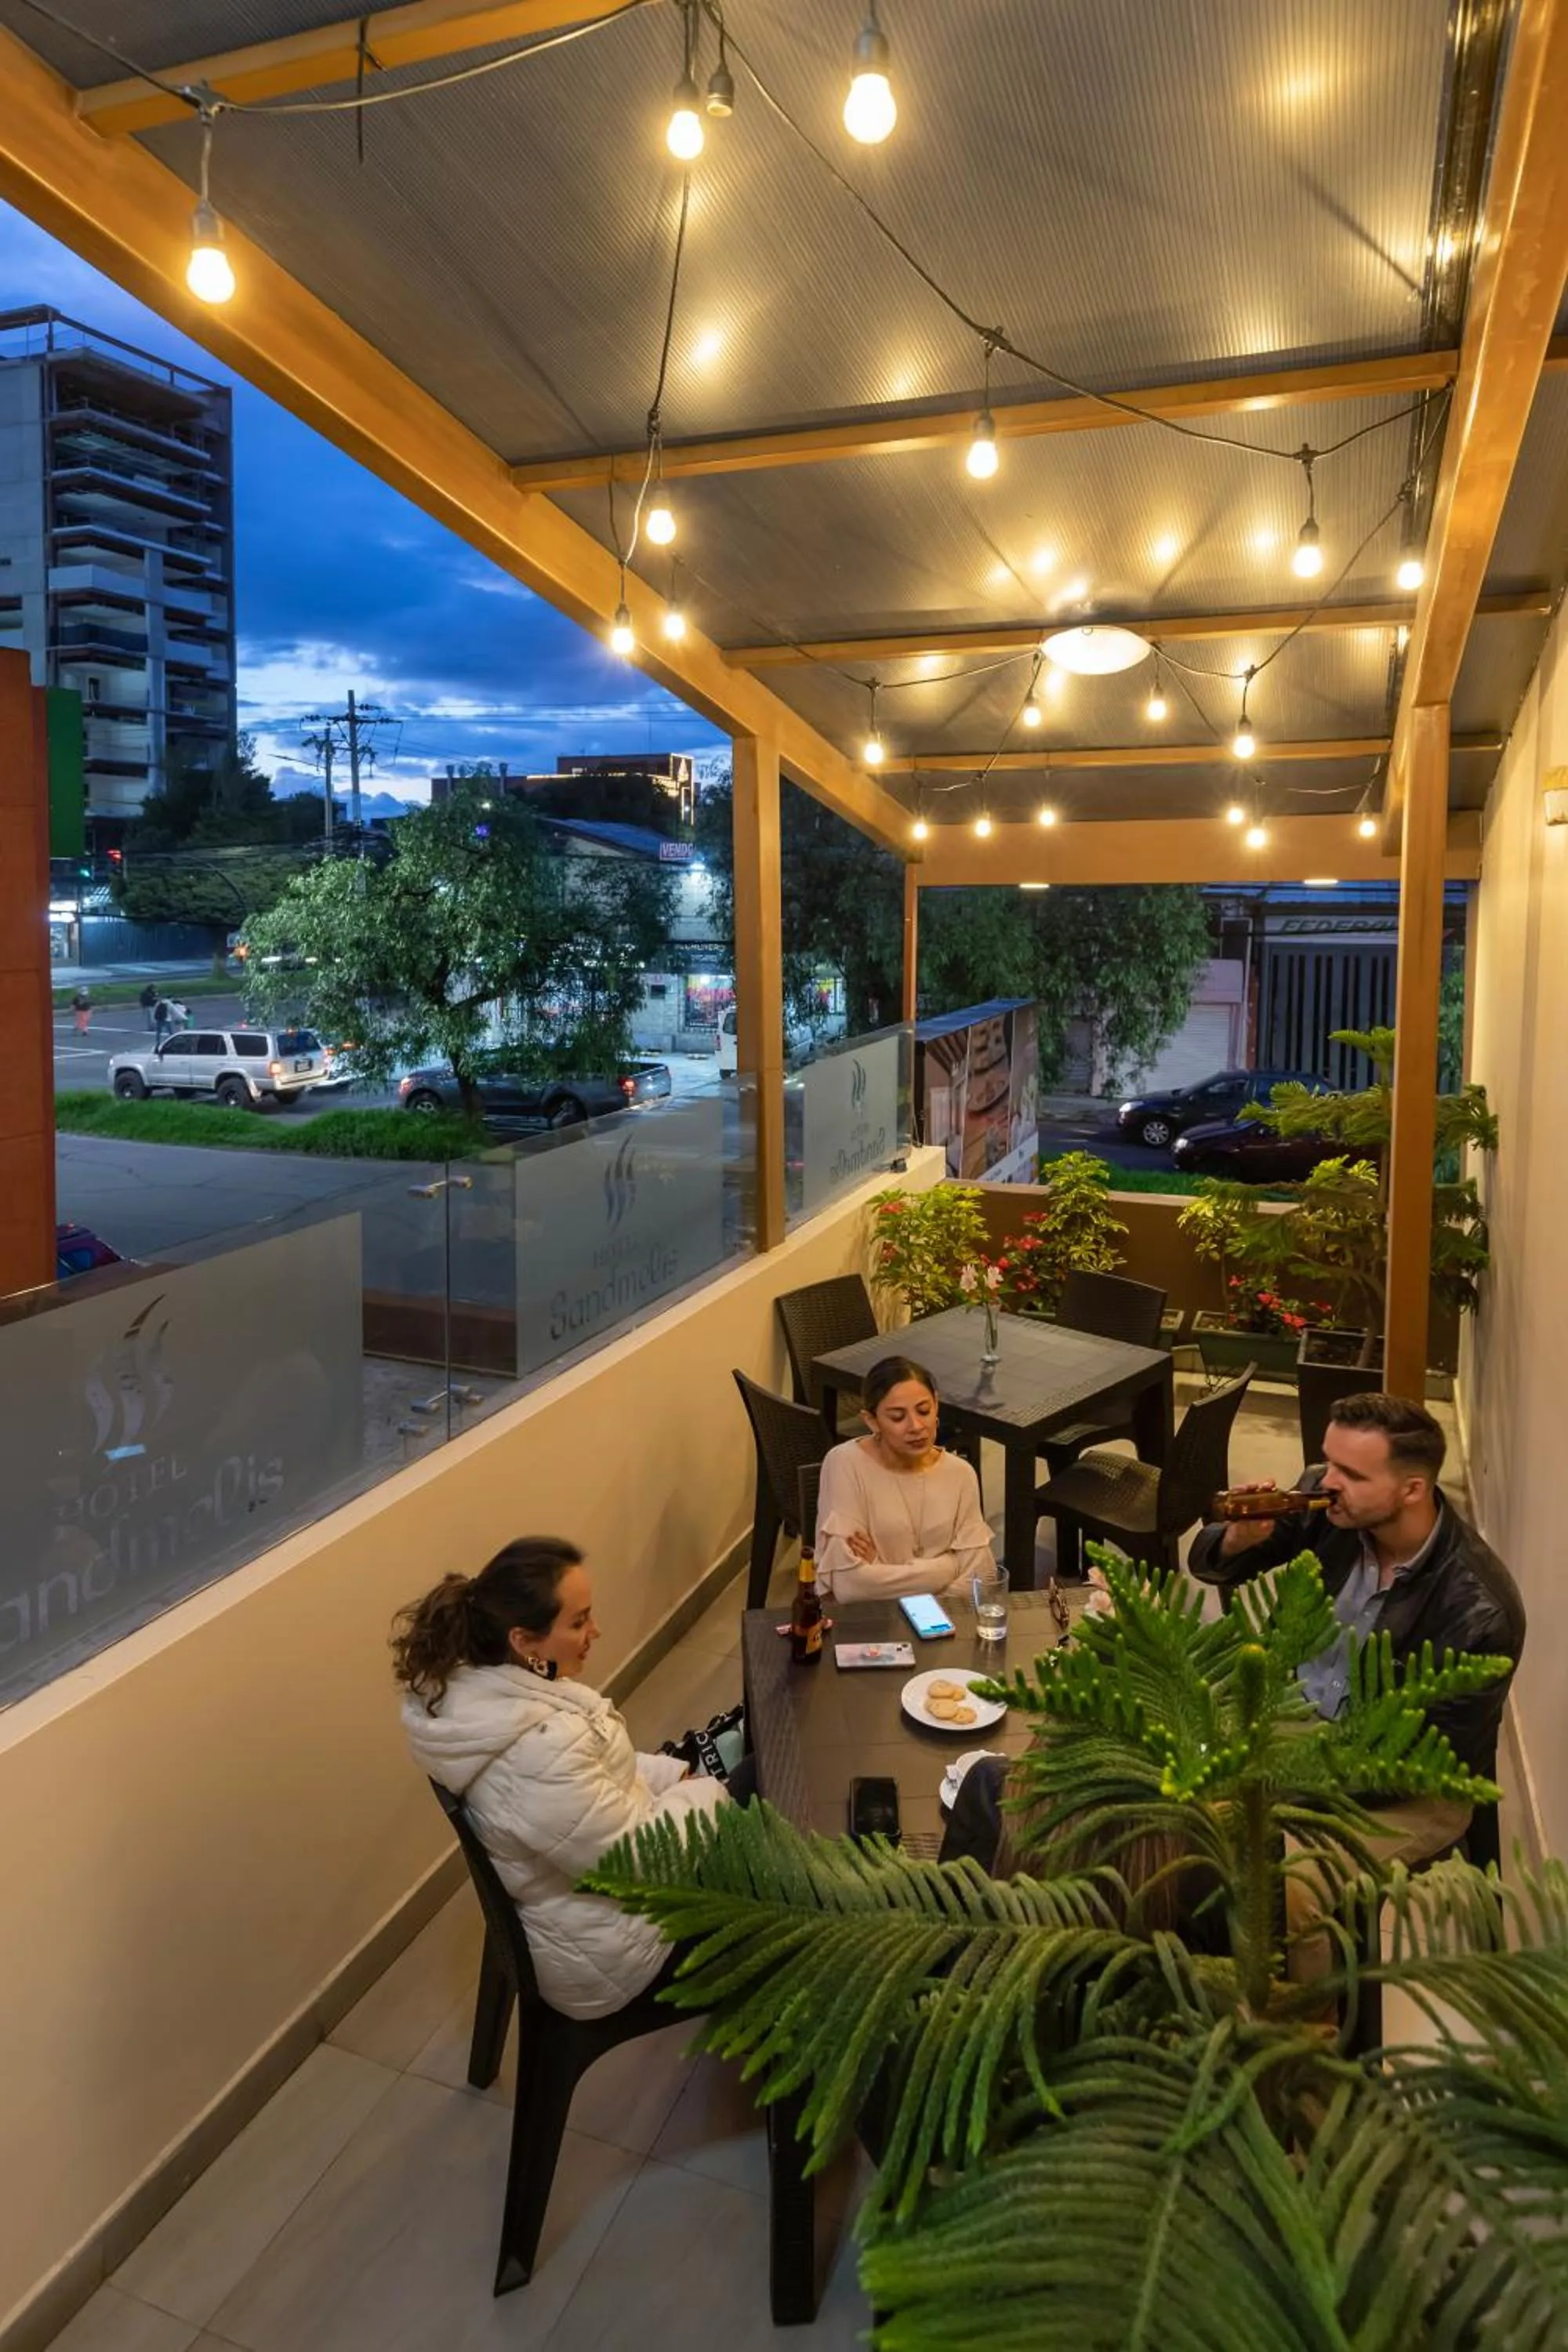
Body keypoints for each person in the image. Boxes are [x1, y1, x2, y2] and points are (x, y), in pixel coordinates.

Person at [395, 1537, 731, 2020]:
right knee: (762, 1806)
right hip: (607, 1952)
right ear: (523, 1640)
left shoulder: (490, 1687)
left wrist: (671, 1771)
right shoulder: (536, 1748)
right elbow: (637, 1859)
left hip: (580, 1902)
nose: (596, 1631)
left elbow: (589, 1769)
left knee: (737, 1775)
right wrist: (707, 1793)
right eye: (578, 1622)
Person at [1188, 1391, 1525, 1867]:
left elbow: (1420, 1767)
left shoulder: (1479, 1611)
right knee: (1164, 1799)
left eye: (1352, 1474)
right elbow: (1209, 1565)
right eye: (1329, 1461)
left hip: (1401, 1783)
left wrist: (1273, 1786)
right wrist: (1237, 1541)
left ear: (1412, 1489)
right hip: (1292, 1716)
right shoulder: (1332, 1509)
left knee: (1286, 1895)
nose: (1328, 1481)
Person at [815, 1354, 995, 1603]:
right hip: (870, 1625)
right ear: (872, 1421)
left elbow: (982, 1577)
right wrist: (947, 1568)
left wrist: (878, 1566)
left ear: (937, 1406)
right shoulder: (844, 1464)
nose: (916, 1426)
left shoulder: (961, 1474)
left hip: (941, 1624)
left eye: (924, 1411)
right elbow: (849, 1586)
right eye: (897, 1417)